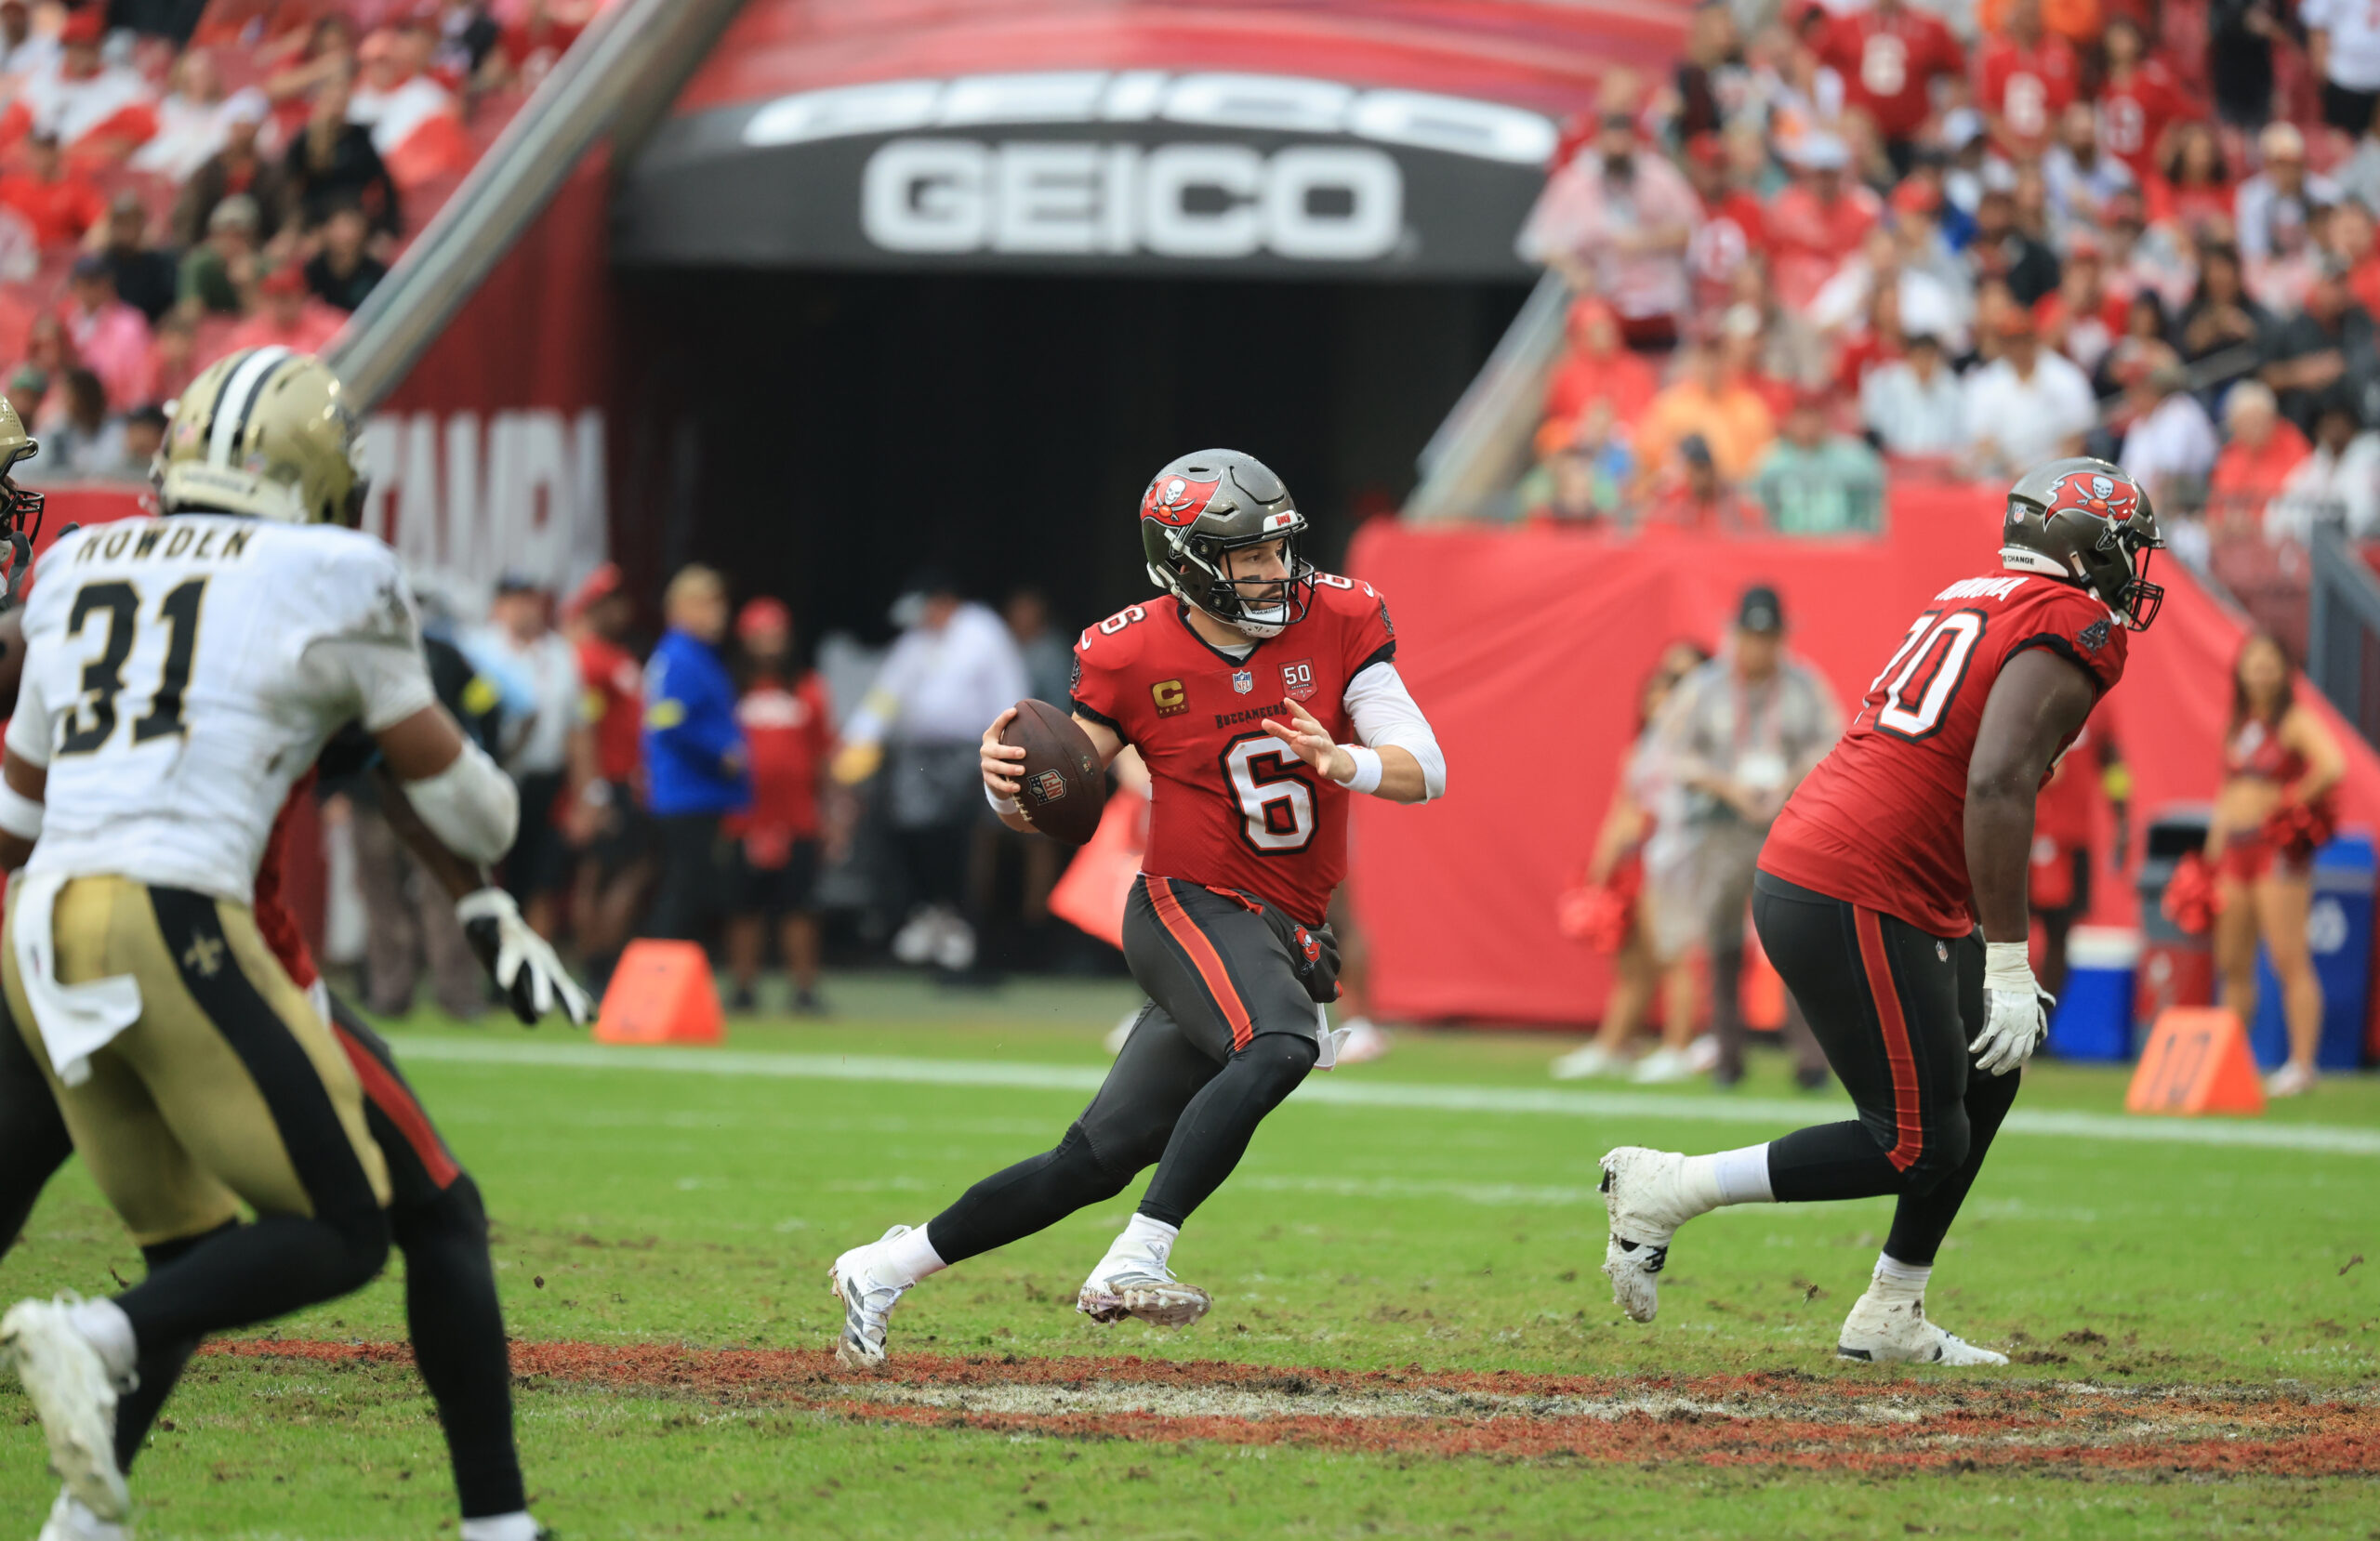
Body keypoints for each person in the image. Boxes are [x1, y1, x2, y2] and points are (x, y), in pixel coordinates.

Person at [0, 359, 579, 1541]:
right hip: (190, 929)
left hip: (43, 928)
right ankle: (96, 1338)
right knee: (356, 1225)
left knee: (196, 1245)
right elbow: (470, 804)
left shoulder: (77, 565)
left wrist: (480, 908)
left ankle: (82, 1521)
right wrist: (492, 847)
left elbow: (14, 817)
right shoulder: (329, 571)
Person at [826, 450, 1446, 1367]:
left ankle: (885, 1264)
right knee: (1280, 1042)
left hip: (1285, 921)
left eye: (1279, 547)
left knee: (1091, 1157)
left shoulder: (1342, 616)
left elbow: (1425, 766)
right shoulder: (1128, 649)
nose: (1276, 571)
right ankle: (1135, 1255)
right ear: (1188, 559)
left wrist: (1342, 759)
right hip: (1186, 901)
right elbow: (1057, 787)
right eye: (1248, 555)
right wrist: (1006, 788)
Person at [1599, 457, 2163, 1365]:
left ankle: (1891, 1309)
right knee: (1915, 1140)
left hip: (1865, 867)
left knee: (1990, 1065)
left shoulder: (1973, 592)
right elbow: (1997, 777)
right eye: (2123, 546)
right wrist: (2013, 955)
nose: (2132, 567)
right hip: (1856, 879)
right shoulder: (2070, 619)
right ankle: (1666, 1186)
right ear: (2082, 545)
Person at [1656, 586, 1840, 1089]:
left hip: (1789, 824)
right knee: (1721, 942)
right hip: (1722, 825)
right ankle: (1727, 1055)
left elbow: (1835, 740)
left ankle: (1808, 1059)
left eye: (1767, 636)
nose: (1758, 647)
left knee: (1796, 938)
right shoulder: (1705, 687)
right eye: (1751, 636)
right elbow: (1673, 753)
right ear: (1736, 635)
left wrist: (1789, 780)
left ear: (1781, 638)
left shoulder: (1804, 685)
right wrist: (1725, 785)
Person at [831, 573, 1026, 979]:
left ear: (943, 602)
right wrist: (857, 740)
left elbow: (1008, 691)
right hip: (919, 754)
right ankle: (932, 910)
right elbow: (887, 694)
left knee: (959, 837)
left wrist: (1006, 748)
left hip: (968, 753)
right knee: (912, 826)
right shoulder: (916, 641)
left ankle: (962, 926)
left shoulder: (983, 632)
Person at [1553, 640, 1711, 1082]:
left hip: (1682, 855)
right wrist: (1602, 865)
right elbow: (1625, 808)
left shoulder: (1703, 742)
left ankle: (1680, 1046)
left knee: (1675, 954)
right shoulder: (1645, 747)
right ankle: (1615, 1043)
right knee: (1635, 960)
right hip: (1646, 856)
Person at [2207, 634, 2347, 1098]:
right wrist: (2214, 847)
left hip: (2275, 851)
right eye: (2253, 662)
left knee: (2287, 955)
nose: (2261, 670)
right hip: (2235, 853)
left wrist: (2288, 801)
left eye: (2270, 662)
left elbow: (2333, 765)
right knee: (2232, 962)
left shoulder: (2294, 721)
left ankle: (2302, 1066)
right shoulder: (2239, 723)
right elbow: (2227, 791)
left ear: (2286, 671)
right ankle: (2232, 1062)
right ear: (2240, 670)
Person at [723, 598, 834, 1016]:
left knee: (800, 907)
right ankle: (743, 989)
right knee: (743, 908)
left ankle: (804, 990)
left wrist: (832, 813)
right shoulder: (731, 691)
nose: (769, 644)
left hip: (798, 819)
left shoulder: (808, 688)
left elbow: (824, 755)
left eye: (776, 635)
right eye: (760, 635)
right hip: (742, 820)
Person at [465, 576, 589, 942]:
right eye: (516, 600)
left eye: (531, 600)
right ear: (497, 606)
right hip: (488, 776)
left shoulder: (560, 655)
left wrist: (587, 795)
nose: (526, 609)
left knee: (539, 877)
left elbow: (578, 727)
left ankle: (531, 966)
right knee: (483, 875)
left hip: (543, 781)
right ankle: (483, 963)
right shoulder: (475, 649)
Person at [1515, 109, 1700, 351]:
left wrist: (1646, 240)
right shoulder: (1576, 184)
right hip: (1603, 307)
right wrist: (1572, 268)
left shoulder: (1660, 178)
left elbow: (1693, 231)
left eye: (1624, 146)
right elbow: (1534, 242)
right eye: (1612, 146)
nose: (1618, 153)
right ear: (1598, 142)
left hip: (1660, 306)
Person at [638, 564, 748, 943]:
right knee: (682, 891)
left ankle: (671, 975)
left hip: (701, 791)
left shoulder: (699, 655)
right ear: (680, 608)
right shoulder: (679, 656)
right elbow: (666, 718)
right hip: (687, 791)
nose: (719, 613)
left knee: (693, 890)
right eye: (707, 604)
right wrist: (722, 751)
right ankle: (657, 976)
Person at [561, 563, 650, 981]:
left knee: (628, 869)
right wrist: (591, 793)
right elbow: (583, 730)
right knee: (597, 874)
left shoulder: (618, 656)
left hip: (626, 782)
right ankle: (596, 964)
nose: (621, 610)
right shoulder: (589, 660)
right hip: (606, 783)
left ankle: (603, 959)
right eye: (609, 603)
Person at [2030, 722, 2129, 999]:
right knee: (2000, 931)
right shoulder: (2019, 692)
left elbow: (2114, 765)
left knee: (2059, 935)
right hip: (2018, 835)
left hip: (2070, 841)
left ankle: (2043, 1023)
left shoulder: (2096, 706)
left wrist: (2122, 821)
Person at [1963, 310, 2096, 478]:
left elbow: (2076, 439)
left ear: (2034, 338)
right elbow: (1983, 440)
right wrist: (2010, 468)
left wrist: (2042, 475)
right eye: (2012, 341)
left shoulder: (2065, 377)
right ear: (2003, 344)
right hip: (2003, 477)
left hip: (2056, 480)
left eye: (2023, 340)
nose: (2018, 347)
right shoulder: (1987, 382)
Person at [284, 65, 400, 237]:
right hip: (317, 221)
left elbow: (384, 181)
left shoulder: (359, 136)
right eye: (333, 100)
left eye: (342, 100)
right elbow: (289, 186)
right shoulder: (306, 139)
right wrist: (298, 227)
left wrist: (389, 229)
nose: (338, 106)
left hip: (353, 217)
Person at [1750, 390, 1886, 533]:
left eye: (1813, 414)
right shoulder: (1770, 462)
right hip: (1787, 547)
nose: (1807, 423)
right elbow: (1755, 512)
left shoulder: (1856, 459)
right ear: (1788, 419)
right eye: (1801, 416)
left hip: (1844, 546)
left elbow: (1877, 506)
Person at [1861, 331, 1968, 456]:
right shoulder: (1889, 384)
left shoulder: (1952, 389)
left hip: (1938, 461)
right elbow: (1875, 427)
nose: (1924, 363)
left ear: (1938, 358)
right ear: (1910, 357)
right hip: (1898, 459)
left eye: (1929, 357)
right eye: (1919, 356)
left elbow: (1960, 434)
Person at [91, 193, 178, 327]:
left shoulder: (161, 264)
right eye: (119, 223)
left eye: (130, 223)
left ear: (141, 225)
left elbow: (170, 309)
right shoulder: (100, 266)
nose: (124, 230)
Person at [304, 202, 389, 312]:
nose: (344, 234)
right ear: (325, 230)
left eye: (350, 225)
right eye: (337, 225)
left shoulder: (377, 272)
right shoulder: (311, 271)